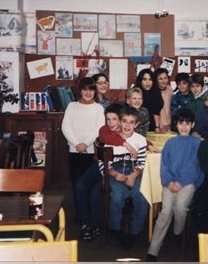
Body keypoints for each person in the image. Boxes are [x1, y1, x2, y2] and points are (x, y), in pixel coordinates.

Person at [146, 109, 203, 261]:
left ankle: (178, 232)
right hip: (170, 182)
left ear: (193, 125)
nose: (184, 127)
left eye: (187, 124)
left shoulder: (197, 143)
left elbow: (195, 166)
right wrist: (169, 182)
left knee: (180, 207)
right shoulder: (170, 143)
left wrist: (181, 182)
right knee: (165, 211)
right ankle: (153, 249)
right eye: (181, 123)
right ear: (176, 125)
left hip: (188, 182)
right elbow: (164, 165)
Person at [74, 103, 132, 241]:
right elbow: (108, 139)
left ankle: (95, 226)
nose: (111, 123)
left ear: (121, 119)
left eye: (114, 119)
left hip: (115, 169)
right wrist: (125, 143)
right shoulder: (104, 130)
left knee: (95, 192)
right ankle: (84, 222)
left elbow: (139, 140)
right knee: (79, 185)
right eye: (108, 119)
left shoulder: (126, 130)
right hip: (99, 165)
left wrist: (149, 145)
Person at [61, 77, 105, 231]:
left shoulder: (99, 108)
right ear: (80, 90)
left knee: (91, 188)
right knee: (77, 185)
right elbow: (66, 127)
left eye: (91, 89)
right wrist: (77, 144)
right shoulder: (72, 106)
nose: (88, 92)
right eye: (85, 89)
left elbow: (99, 129)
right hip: (74, 152)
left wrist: (85, 144)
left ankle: (93, 220)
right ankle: (82, 218)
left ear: (95, 91)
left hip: (92, 153)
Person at [106, 107, 149, 249]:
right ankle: (115, 228)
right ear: (119, 121)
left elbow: (142, 161)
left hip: (133, 171)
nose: (127, 126)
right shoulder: (111, 139)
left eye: (131, 122)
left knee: (141, 196)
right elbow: (104, 164)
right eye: (124, 121)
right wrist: (115, 174)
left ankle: (134, 231)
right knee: (117, 196)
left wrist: (134, 174)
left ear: (136, 124)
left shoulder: (141, 140)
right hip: (116, 171)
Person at [154, 68, 173, 133]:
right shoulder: (154, 92)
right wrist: (157, 126)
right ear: (156, 80)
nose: (163, 81)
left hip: (170, 124)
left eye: (165, 78)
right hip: (158, 125)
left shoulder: (169, 89)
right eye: (160, 79)